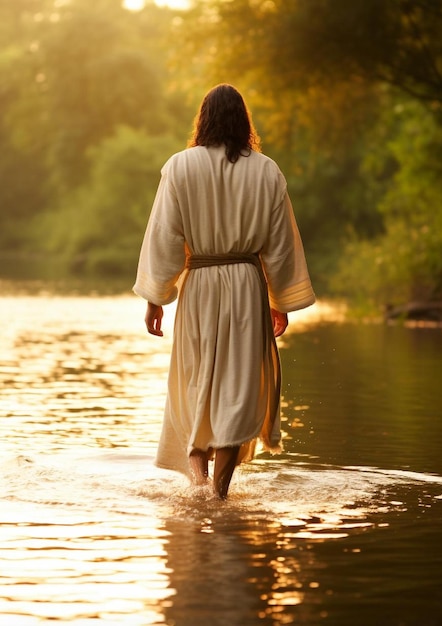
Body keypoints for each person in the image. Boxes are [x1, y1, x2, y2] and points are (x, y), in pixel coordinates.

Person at [133, 84, 315, 499]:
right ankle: (217, 493)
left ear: (204, 119)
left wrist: (155, 299)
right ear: (243, 121)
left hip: (199, 286)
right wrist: (279, 301)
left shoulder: (179, 167)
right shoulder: (266, 171)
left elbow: (164, 238)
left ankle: (197, 486)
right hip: (246, 288)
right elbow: (281, 243)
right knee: (237, 391)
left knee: (197, 385)